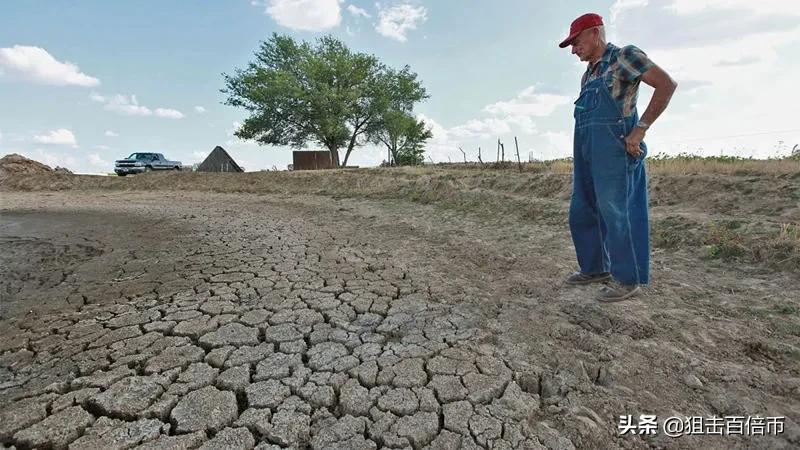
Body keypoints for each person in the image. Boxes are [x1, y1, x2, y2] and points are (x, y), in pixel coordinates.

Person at [559, 13, 677, 302]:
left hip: (614, 147)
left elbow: (666, 84)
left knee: (617, 211)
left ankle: (627, 279)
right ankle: (595, 268)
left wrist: (640, 131)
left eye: (576, 42)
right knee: (582, 209)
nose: (574, 50)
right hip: (587, 148)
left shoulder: (624, 56)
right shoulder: (589, 73)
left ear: (595, 32)